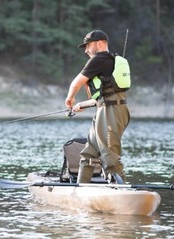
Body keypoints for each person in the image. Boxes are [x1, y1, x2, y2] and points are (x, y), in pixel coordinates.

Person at [64, 30, 130, 183]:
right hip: (109, 109)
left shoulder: (99, 58)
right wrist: (81, 104)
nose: (86, 50)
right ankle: (82, 187)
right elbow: (104, 96)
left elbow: (77, 82)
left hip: (111, 112)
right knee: (89, 153)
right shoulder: (110, 60)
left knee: (109, 154)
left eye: (88, 46)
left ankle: (122, 192)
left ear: (99, 43)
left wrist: (70, 98)